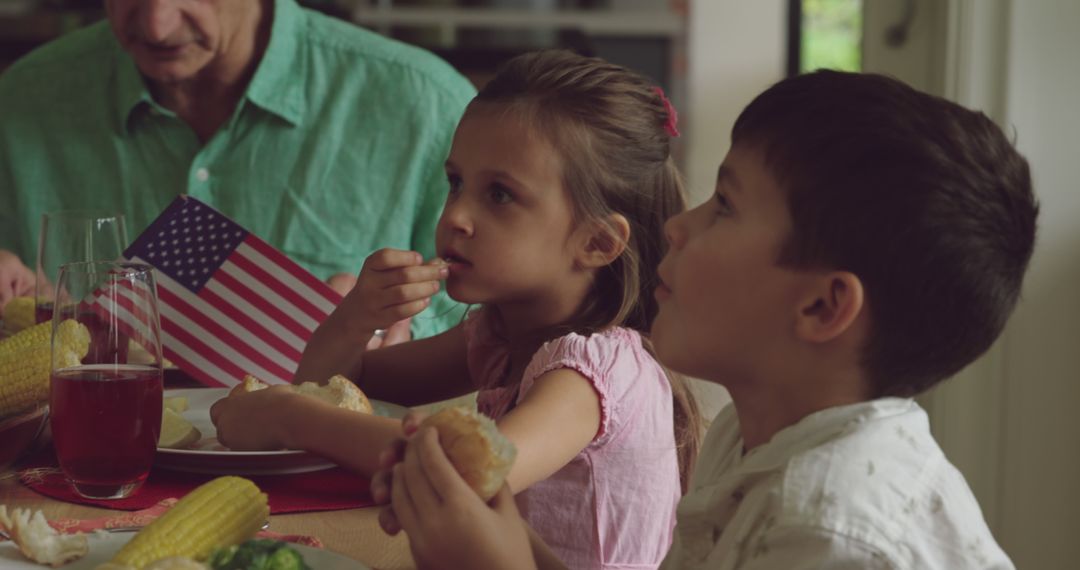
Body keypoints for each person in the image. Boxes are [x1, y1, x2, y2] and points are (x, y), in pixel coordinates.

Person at [373, 69, 1038, 569]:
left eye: (724, 205)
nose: (677, 227)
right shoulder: (749, 442)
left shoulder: (829, 534)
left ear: (822, 307)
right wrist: (500, 533)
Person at [210, 50, 703, 570]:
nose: (456, 216)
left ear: (598, 243)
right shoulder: (494, 334)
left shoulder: (599, 370)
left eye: (500, 195)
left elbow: (471, 472)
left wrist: (290, 419)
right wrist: (355, 319)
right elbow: (334, 388)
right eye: (456, 183)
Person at [0, 0, 475, 340]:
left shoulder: (427, 105)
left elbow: (503, 334)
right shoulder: (20, 102)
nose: (157, 24)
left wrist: (406, 331)